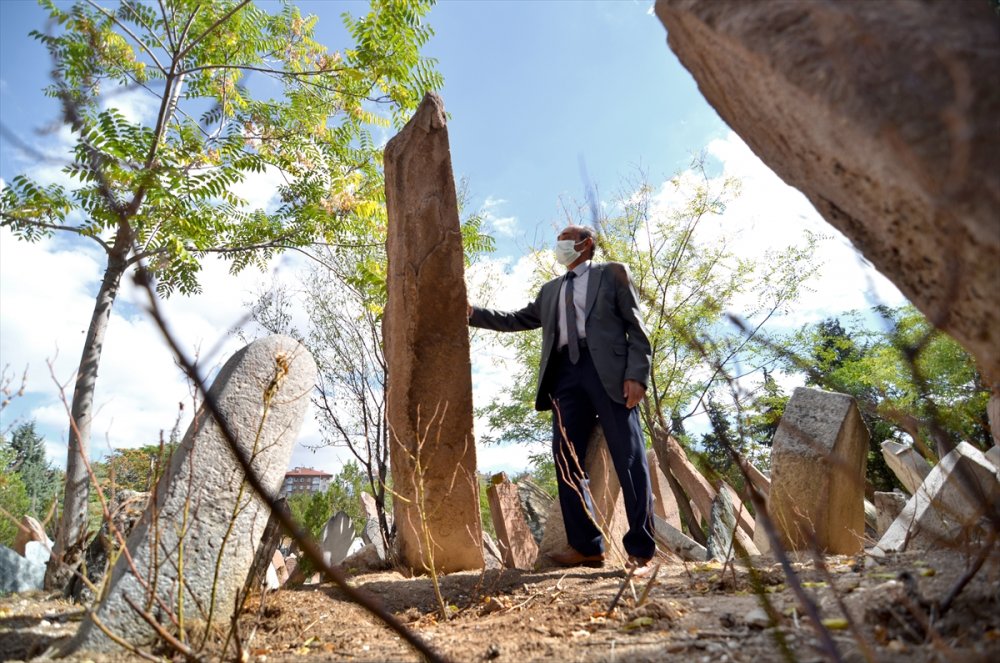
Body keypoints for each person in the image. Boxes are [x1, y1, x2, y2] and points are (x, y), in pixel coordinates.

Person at [468, 225, 656, 576]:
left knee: (629, 457)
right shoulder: (550, 290)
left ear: (586, 244)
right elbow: (518, 319)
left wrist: (637, 375)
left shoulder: (613, 274)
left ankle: (641, 551)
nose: (559, 246)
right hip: (565, 377)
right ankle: (586, 547)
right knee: (566, 458)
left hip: (610, 374)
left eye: (565, 239)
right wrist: (472, 313)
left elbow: (637, 327)